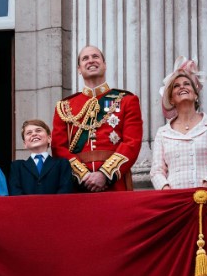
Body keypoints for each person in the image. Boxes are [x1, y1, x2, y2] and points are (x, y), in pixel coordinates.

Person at [52, 46, 143, 192]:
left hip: (115, 183)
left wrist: (104, 174)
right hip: (78, 186)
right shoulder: (64, 107)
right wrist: (83, 176)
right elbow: (58, 148)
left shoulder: (127, 100)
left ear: (104, 65)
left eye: (95, 57)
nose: (91, 61)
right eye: (85, 58)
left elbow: (132, 143)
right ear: (79, 69)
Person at [150, 57, 207, 189]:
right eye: (176, 86)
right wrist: (166, 190)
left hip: (205, 198)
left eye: (187, 84)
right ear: (171, 99)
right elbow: (157, 171)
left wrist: (204, 189)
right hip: (174, 200)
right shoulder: (163, 133)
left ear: (196, 94)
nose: (182, 87)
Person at [9, 119, 73, 195]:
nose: (34, 134)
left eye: (38, 130)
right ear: (25, 144)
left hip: (56, 206)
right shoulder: (17, 167)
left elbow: (65, 191)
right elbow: (15, 192)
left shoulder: (62, 164)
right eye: (29, 133)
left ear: (49, 139)